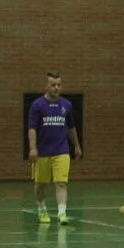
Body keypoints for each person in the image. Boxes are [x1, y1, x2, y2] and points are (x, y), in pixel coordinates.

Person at [27, 71, 82, 225]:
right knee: (40, 184)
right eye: (53, 85)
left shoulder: (66, 105)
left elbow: (71, 127)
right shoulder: (37, 105)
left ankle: (62, 213)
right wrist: (32, 148)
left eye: (58, 85)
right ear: (46, 86)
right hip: (43, 152)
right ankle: (42, 209)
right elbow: (32, 129)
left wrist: (76, 146)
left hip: (61, 151)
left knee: (61, 182)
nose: (56, 88)